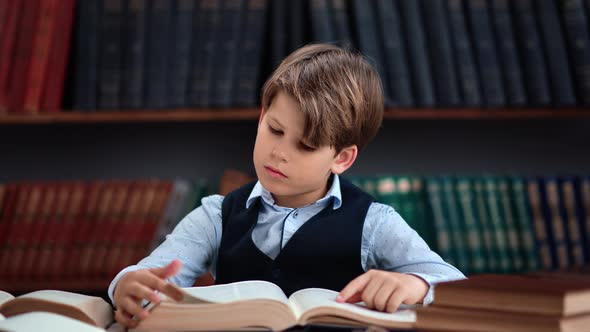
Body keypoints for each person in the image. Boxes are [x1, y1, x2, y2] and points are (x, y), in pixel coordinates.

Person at [109, 43, 465, 328]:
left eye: (306, 146)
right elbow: (148, 273)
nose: (279, 153)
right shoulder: (215, 215)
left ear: (342, 158)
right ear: (263, 116)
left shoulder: (376, 223)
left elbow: (453, 285)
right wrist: (127, 285)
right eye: (275, 130)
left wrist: (416, 284)